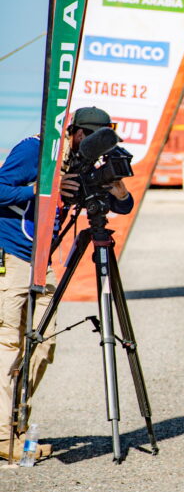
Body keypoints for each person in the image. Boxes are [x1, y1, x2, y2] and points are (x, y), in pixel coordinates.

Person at [0, 106, 134, 460]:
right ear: (74, 132)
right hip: (12, 253)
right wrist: (47, 188)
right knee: (9, 342)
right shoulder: (36, 150)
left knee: (42, 346)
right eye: (90, 137)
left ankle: (15, 428)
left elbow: (123, 205)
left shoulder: (88, 164)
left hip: (43, 259)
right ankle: (3, 439)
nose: (96, 146)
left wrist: (117, 187)